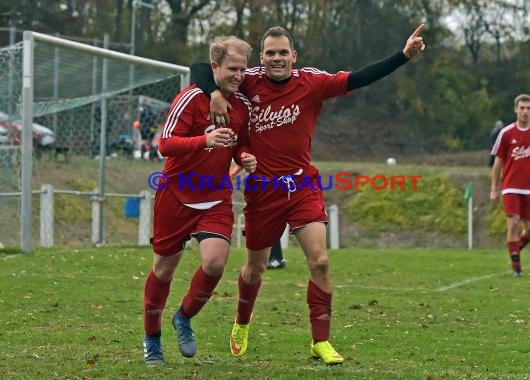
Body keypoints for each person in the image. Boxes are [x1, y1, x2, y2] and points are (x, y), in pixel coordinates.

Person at [192, 24, 426, 364]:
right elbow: (198, 68)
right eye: (270, 53)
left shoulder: (312, 82)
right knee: (254, 270)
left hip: (302, 186)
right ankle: (242, 322)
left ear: (294, 56)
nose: (276, 58)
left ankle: (321, 341)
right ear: (262, 57)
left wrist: (403, 57)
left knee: (320, 260)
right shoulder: (249, 80)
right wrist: (213, 91)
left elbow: (359, 78)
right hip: (262, 191)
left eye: (282, 52)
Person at [142, 36, 257, 366]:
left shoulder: (243, 105)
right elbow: (164, 145)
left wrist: (246, 157)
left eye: (243, 69)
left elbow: (241, 144)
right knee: (164, 270)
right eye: (232, 68)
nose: (239, 75)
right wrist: (203, 140)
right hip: (175, 195)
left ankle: (184, 316)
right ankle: (152, 340)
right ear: (215, 67)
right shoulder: (191, 98)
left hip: (216, 196)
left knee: (215, 263)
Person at [490, 94, 530, 277]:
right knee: (513, 222)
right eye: (522, 108)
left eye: (528, 108)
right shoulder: (506, 133)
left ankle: (514, 250)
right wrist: (494, 188)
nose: (525, 112)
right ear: (515, 109)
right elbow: (498, 162)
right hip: (510, 186)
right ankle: (517, 266)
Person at [229, 164, 286, 269]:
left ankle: (278, 258)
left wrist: (233, 172)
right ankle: (273, 258)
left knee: (270, 223)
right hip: (262, 186)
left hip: (273, 185)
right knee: (262, 224)